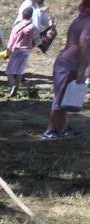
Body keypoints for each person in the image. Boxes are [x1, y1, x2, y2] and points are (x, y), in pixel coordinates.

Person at [42, 0, 89, 139]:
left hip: (67, 63)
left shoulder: (80, 19)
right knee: (60, 98)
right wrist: (83, 70)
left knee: (65, 98)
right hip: (69, 65)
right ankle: (50, 130)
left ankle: (64, 128)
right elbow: (84, 46)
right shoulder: (88, 22)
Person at [6, 4, 36, 95]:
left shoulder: (17, 27)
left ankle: (13, 86)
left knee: (10, 71)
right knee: (19, 71)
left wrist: (8, 51)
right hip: (27, 50)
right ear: (31, 16)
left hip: (17, 49)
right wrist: (32, 45)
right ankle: (16, 88)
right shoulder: (33, 27)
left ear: (22, 15)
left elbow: (11, 41)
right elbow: (37, 39)